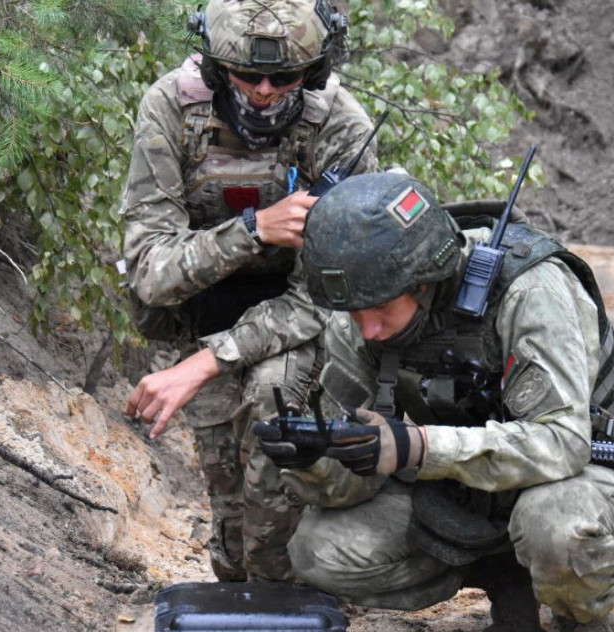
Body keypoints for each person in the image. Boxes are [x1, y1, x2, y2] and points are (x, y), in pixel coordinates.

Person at [256, 172, 614, 630]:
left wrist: (417, 446)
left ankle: (575, 615)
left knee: (556, 529)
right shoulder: (363, 306)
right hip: (471, 486)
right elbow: (353, 484)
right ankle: (505, 574)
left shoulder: (531, 288)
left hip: (596, 475)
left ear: (423, 281)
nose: (367, 329)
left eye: (380, 309)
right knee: (319, 551)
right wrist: (317, 458)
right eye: (354, 313)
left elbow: (563, 442)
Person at [120, 0, 378, 582]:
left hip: (300, 324)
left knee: (274, 401)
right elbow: (152, 272)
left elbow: (326, 295)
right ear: (215, 67)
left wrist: (210, 363)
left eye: (284, 77)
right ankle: (247, 584)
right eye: (247, 75)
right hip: (203, 313)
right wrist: (254, 230)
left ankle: (283, 594)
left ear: (310, 72)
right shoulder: (171, 109)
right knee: (232, 535)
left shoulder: (340, 127)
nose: (264, 90)